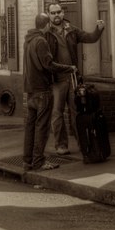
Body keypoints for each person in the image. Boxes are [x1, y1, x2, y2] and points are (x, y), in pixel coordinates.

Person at [45, 3, 104, 155]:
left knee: (76, 111)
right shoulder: (45, 33)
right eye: (53, 13)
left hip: (72, 79)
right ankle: (61, 145)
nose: (56, 15)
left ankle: (82, 143)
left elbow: (90, 38)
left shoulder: (72, 30)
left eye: (58, 12)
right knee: (57, 114)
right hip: (56, 80)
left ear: (63, 13)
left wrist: (99, 29)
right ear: (49, 15)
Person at [22, 13, 73, 171]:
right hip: (42, 90)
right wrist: (69, 68)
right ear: (45, 25)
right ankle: (39, 161)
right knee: (42, 128)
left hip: (30, 91)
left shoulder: (28, 41)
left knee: (30, 127)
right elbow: (49, 64)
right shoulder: (41, 41)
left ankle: (27, 160)